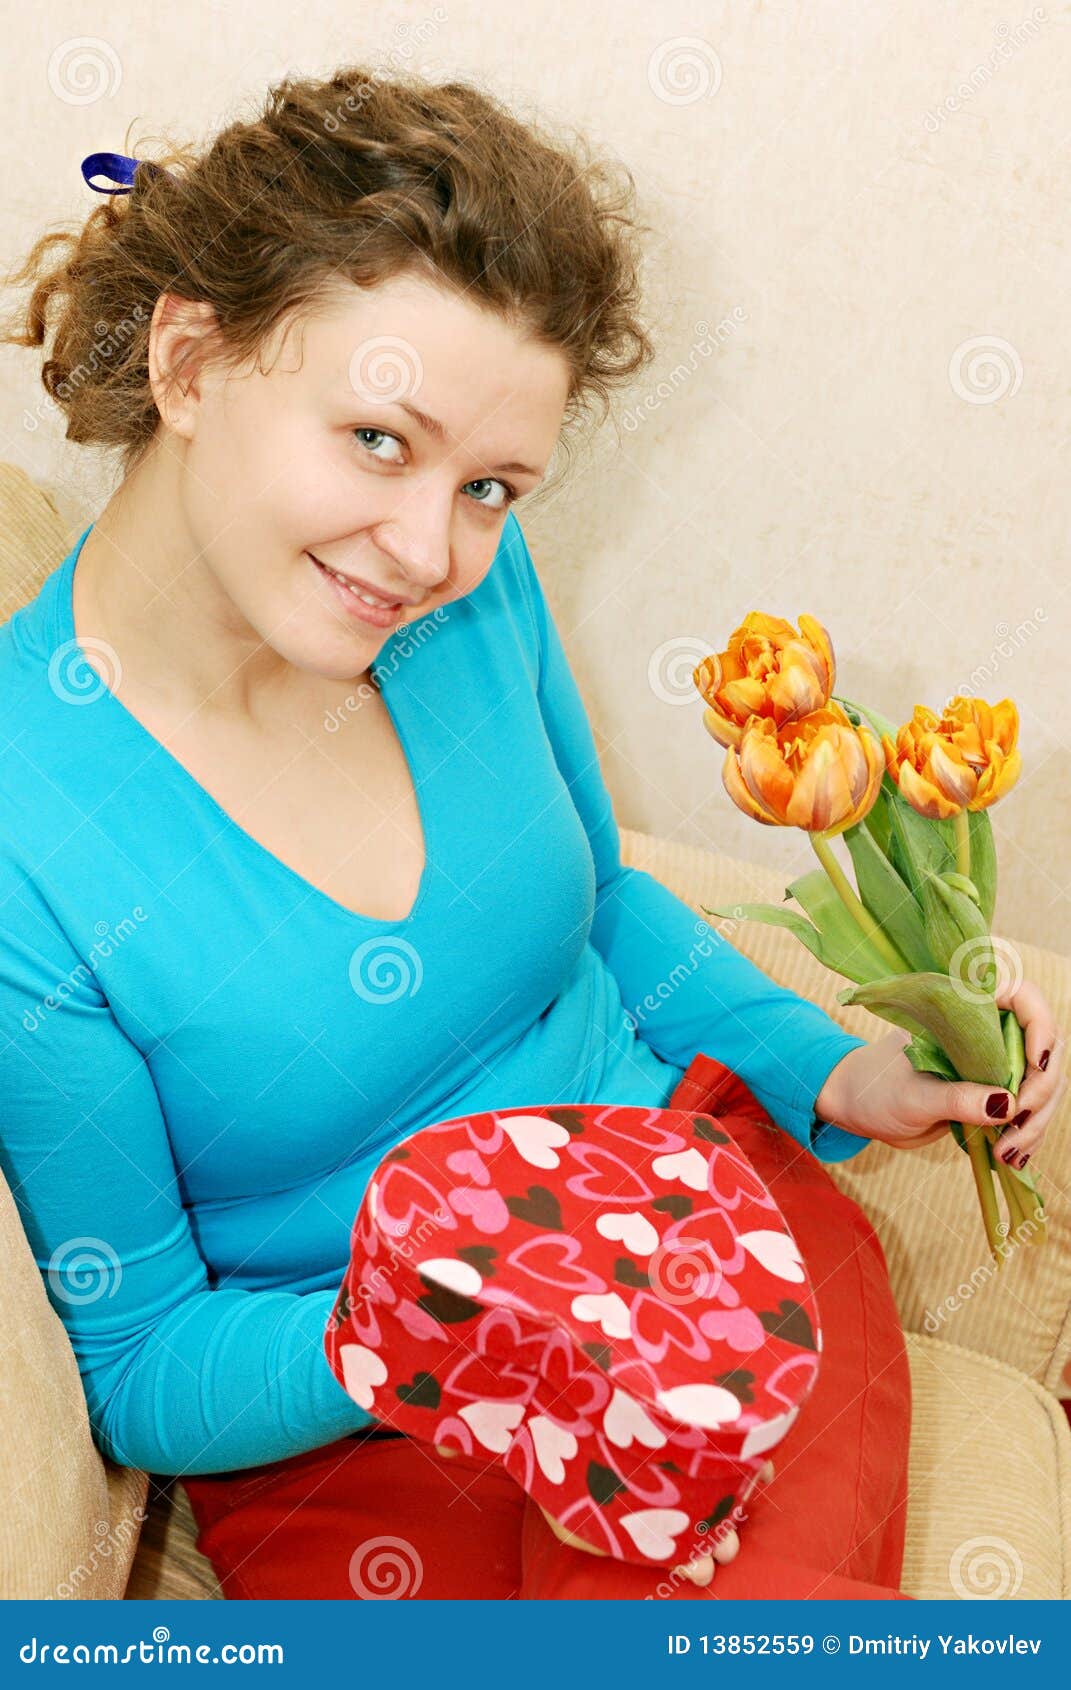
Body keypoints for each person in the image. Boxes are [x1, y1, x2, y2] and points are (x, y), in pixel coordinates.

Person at [0, 67, 1062, 1601]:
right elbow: (145, 1360)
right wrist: (420, 1313)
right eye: (376, 438)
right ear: (187, 360)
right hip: (354, 1425)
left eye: (491, 484)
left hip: (701, 1251)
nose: (432, 550)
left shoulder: (467, 589)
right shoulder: (32, 833)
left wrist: (848, 1069)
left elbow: (599, 909)